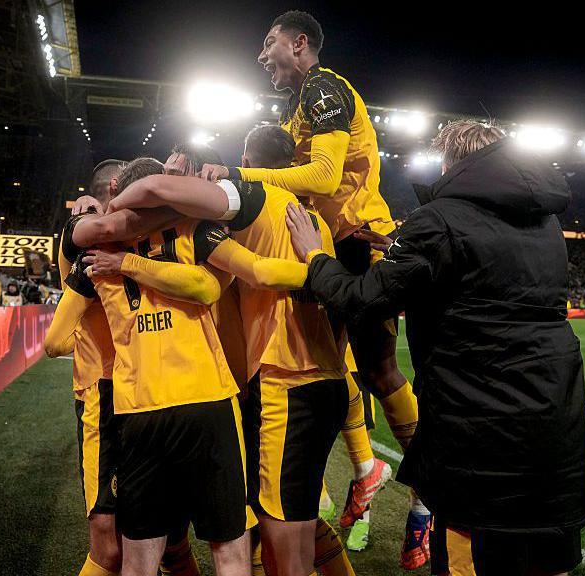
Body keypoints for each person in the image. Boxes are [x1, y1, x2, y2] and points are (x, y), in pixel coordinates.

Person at [285, 120, 585, 576]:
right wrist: (400, 249)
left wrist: (315, 258)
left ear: (452, 162)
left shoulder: (439, 219)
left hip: (478, 424)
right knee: (547, 559)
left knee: (466, 555)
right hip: (555, 415)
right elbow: (483, 272)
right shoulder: (546, 219)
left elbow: (363, 298)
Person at [179, 11, 423, 563]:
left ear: (300, 43)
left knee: (376, 369)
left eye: (269, 44)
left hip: (356, 240)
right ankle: (360, 471)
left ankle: (427, 490)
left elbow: (323, 177)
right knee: (331, 367)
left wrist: (240, 178)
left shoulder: (324, 87)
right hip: (324, 244)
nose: (262, 56)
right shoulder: (297, 107)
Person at [81, 158, 252, 576]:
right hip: (205, 397)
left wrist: (122, 259)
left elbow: (54, 340)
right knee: (228, 545)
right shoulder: (194, 229)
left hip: (138, 407)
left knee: (140, 556)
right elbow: (207, 286)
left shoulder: (96, 248)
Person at [45, 158, 215, 576]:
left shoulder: (145, 238)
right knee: (108, 543)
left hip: (149, 392)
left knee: (172, 540)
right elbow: (55, 341)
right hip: (102, 394)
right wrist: (197, 198)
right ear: (119, 188)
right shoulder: (84, 230)